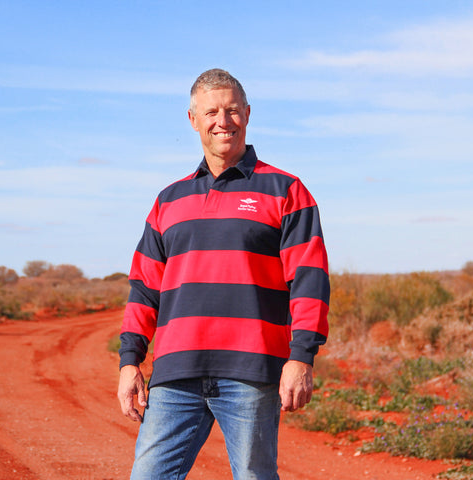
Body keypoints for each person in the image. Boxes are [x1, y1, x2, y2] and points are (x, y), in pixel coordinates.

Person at [117, 68, 330, 480]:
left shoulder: (286, 190)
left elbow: (309, 278)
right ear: (193, 120)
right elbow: (144, 287)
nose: (223, 121)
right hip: (177, 371)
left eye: (232, 110)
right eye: (211, 112)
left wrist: (301, 358)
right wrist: (130, 361)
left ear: (247, 114)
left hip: (250, 371)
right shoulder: (169, 200)